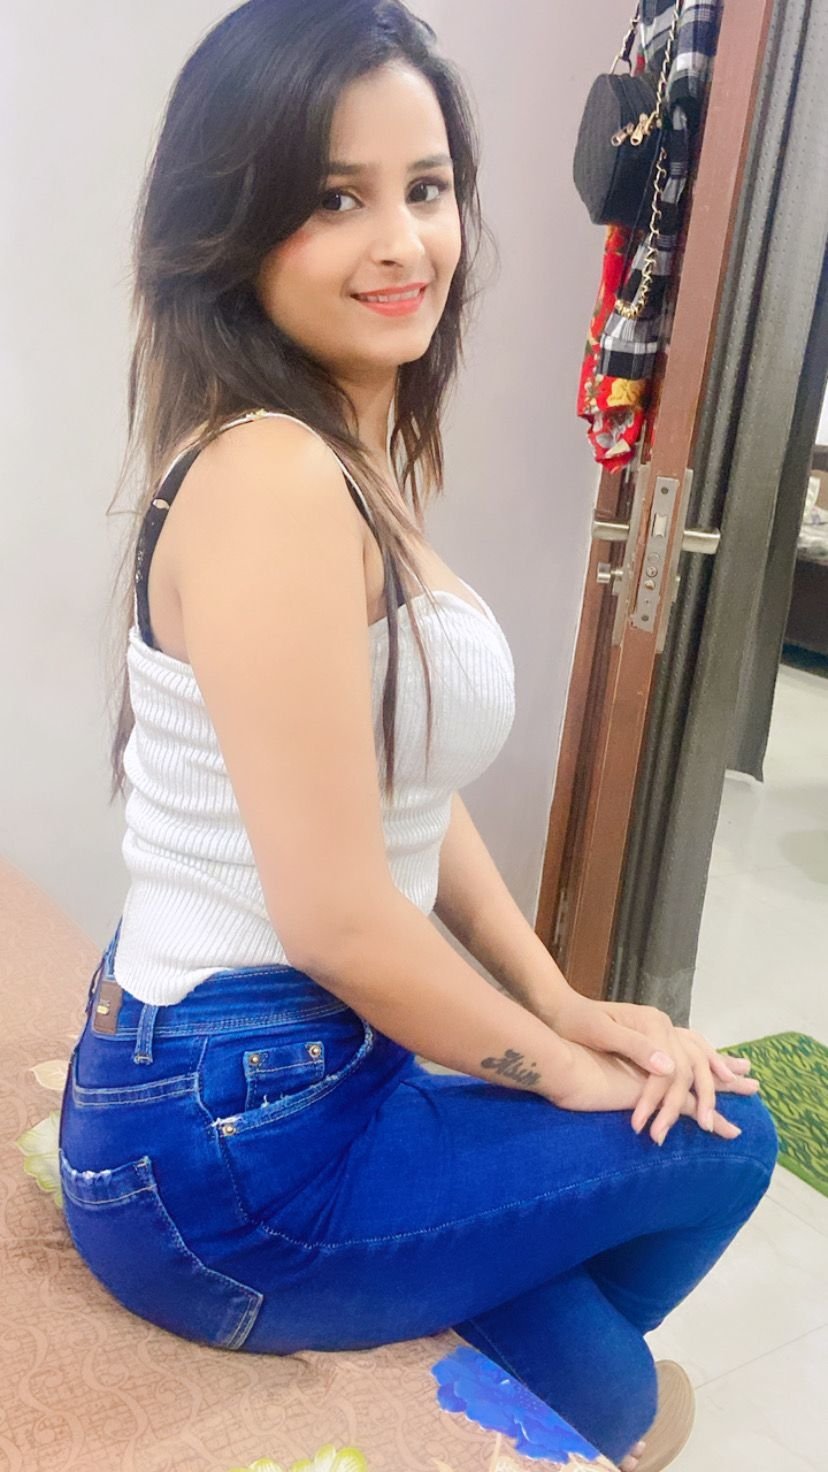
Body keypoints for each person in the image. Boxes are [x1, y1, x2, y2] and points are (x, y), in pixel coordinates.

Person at [58, 4, 779, 1468]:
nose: (404, 244)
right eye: (336, 198)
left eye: (428, 188)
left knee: (607, 1377)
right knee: (729, 1145)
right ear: (230, 226)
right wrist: (556, 1065)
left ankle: (541, 1381)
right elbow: (335, 917)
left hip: (274, 1080)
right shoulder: (273, 477)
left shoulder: (335, 448)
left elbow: (404, 785)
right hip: (232, 1134)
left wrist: (563, 1003)